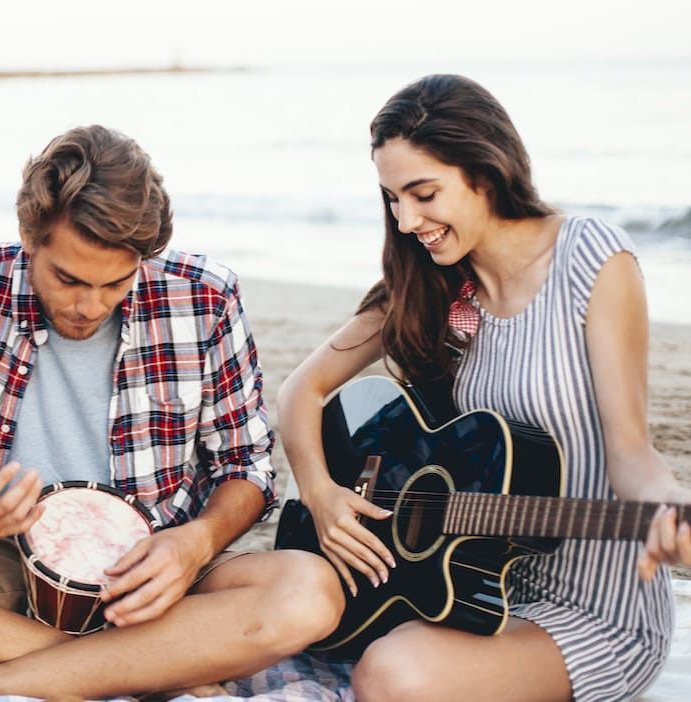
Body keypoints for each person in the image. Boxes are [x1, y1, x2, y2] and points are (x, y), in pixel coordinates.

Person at [0, 124, 346, 698]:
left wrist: (197, 544)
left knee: (309, 591)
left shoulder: (206, 297)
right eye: (67, 279)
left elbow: (246, 463)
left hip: (152, 574)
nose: (89, 306)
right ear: (28, 236)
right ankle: (121, 667)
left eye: (115, 284)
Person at [276, 73, 691, 702]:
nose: (407, 219)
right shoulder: (434, 288)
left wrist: (671, 505)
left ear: (486, 171)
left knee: (390, 674)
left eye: (423, 193)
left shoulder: (591, 258)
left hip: (597, 614)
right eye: (392, 198)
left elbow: (632, 452)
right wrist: (323, 495)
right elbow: (300, 391)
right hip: (464, 590)